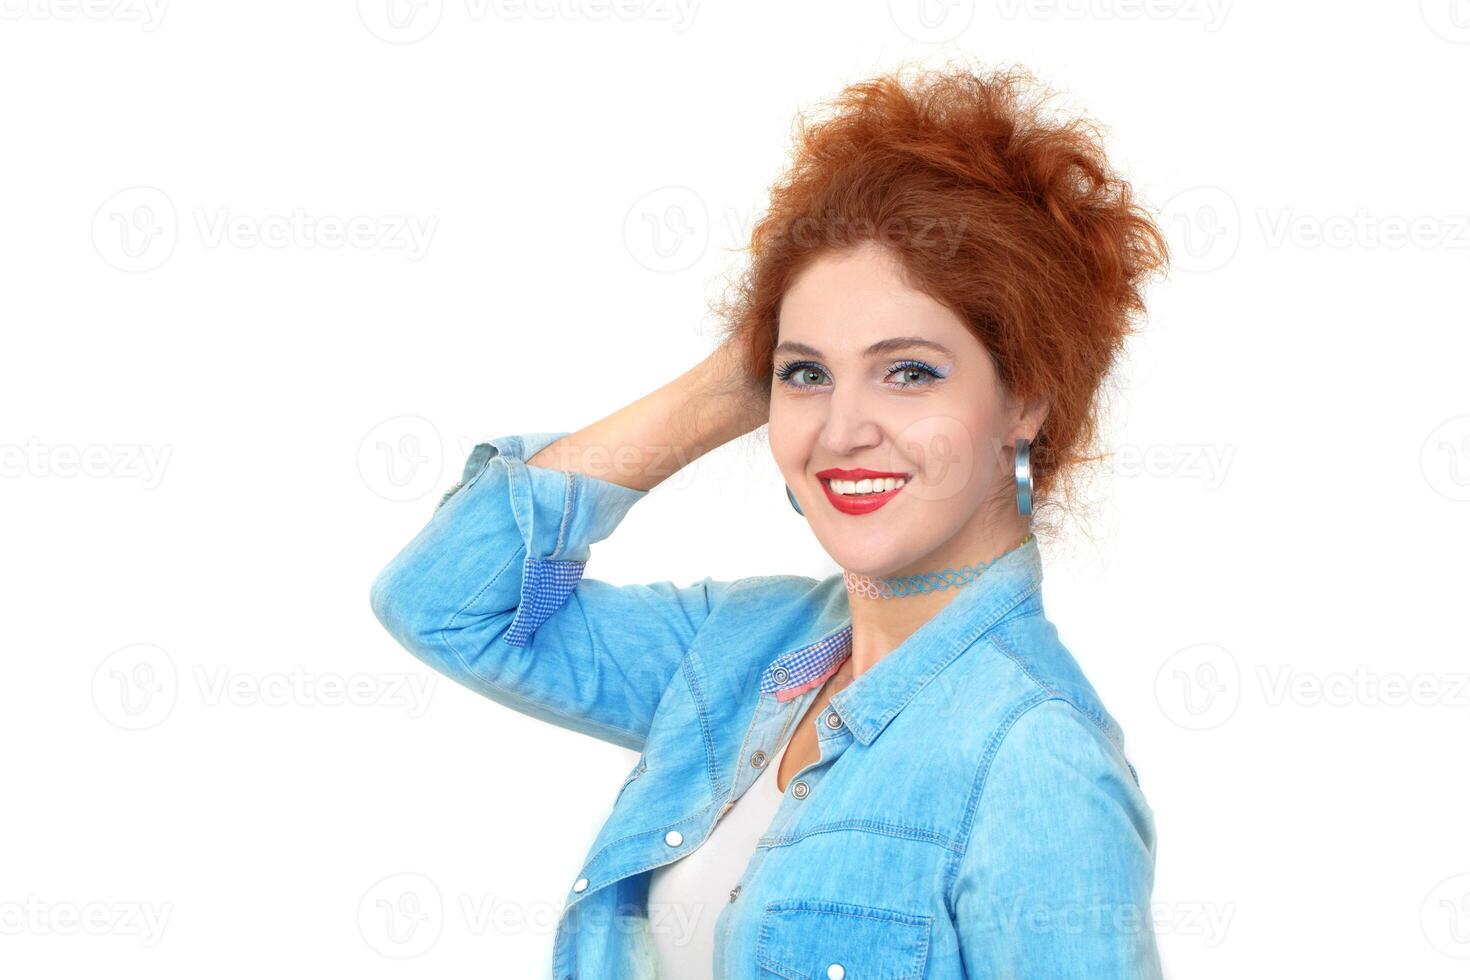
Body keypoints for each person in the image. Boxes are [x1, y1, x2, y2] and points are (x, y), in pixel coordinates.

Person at [370, 62, 1168, 979]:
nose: (842, 431)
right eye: (806, 375)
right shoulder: (735, 648)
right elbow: (440, 602)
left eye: (909, 371)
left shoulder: (1035, 761)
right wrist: (730, 382)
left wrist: (805, 352)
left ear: (1025, 401)